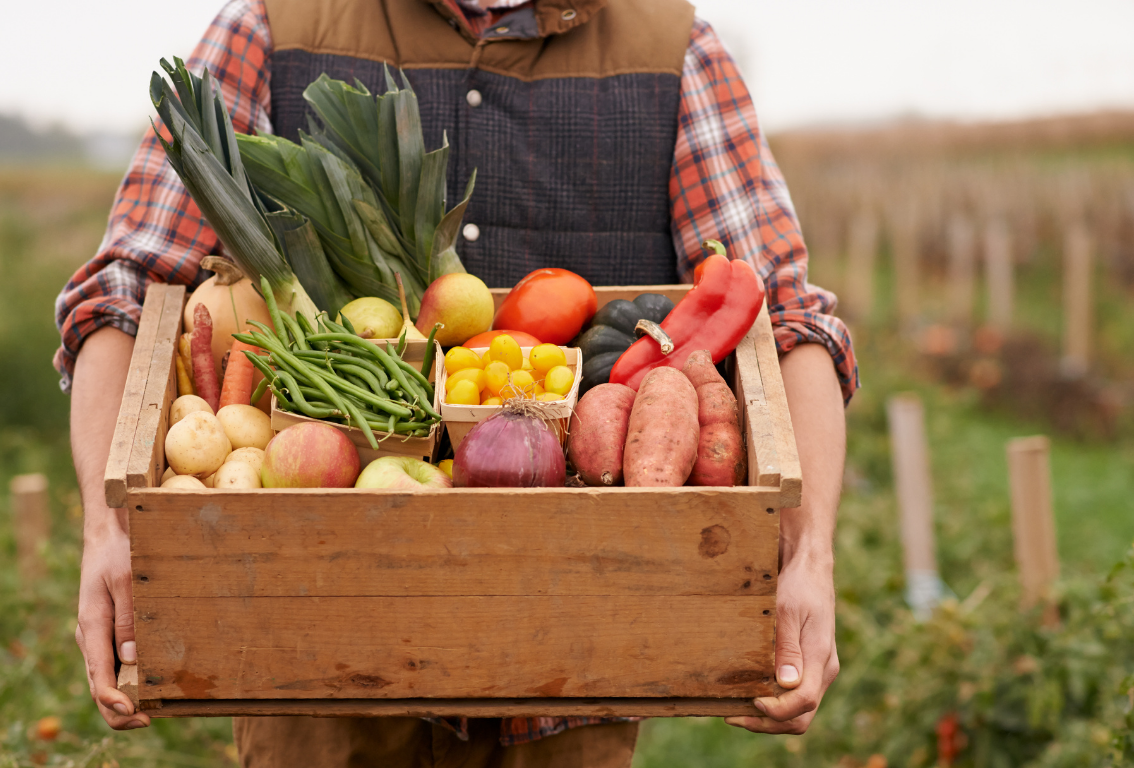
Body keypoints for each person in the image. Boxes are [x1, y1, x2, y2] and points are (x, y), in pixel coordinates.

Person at [57, 0, 859, 762]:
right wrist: (106, 531)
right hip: (317, 664)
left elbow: (786, 320)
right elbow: (125, 291)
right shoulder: (274, 21)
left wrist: (809, 558)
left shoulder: (670, 44)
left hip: (575, 668)